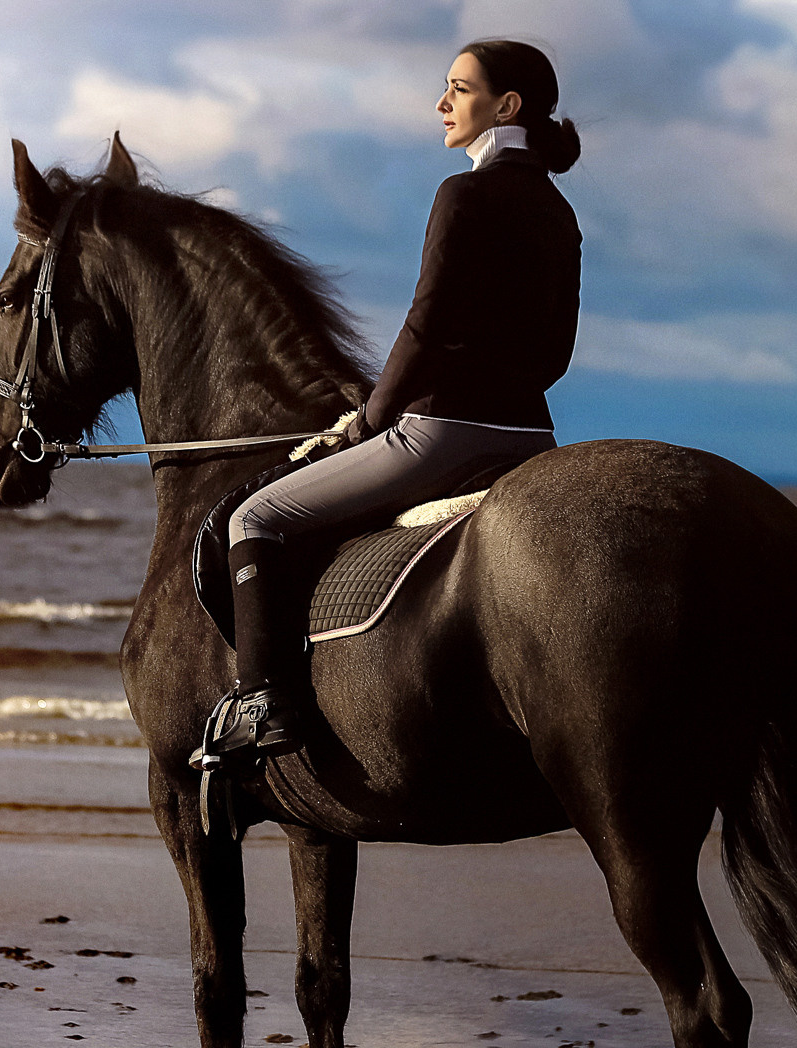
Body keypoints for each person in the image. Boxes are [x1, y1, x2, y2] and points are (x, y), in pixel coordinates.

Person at [199, 39, 584, 770]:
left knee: (257, 517)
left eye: (458, 89)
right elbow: (555, 356)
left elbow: (425, 322)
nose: (442, 104)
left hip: (440, 433)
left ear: (506, 107)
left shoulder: (462, 193)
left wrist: (374, 417)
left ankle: (263, 699)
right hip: (533, 438)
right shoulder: (557, 210)